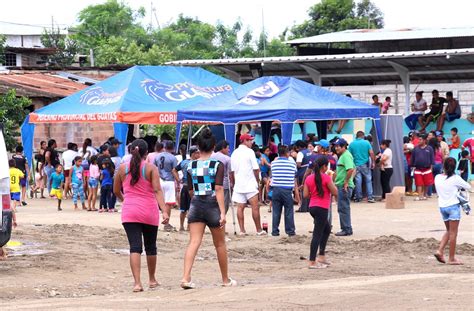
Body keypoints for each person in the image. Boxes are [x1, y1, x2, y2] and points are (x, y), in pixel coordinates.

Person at [181, 129, 236, 289]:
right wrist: (222, 212)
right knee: (219, 244)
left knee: (193, 242)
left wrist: (197, 201)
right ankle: (225, 279)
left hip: (196, 204)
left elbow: (190, 190)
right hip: (212, 204)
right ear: (213, 147)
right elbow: (219, 188)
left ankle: (185, 278)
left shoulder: (191, 165)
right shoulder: (217, 164)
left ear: (198, 147)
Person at [113, 139, 169, 292]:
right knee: (151, 247)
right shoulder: (151, 168)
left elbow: (116, 190)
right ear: (146, 152)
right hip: (149, 211)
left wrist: (126, 200)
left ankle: (137, 283)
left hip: (129, 212)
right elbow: (157, 191)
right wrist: (164, 210)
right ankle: (152, 279)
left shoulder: (123, 168)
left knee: (135, 247)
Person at [433, 157, 471, 265]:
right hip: (453, 207)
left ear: (443, 166)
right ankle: (451, 258)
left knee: (449, 231)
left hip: (442, 207)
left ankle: (440, 251)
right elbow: (468, 186)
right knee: (454, 233)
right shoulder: (456, 178)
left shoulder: (437, 177)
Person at [303, 156, 338, 269]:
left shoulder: (309, 178)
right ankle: (312, 261)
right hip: (322, 208)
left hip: (312, 207)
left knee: (326, 229)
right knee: (317, 234)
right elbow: (335, 192)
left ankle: (321, 256)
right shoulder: (326, 178)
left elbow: (305, 195)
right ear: (324, 167)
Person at [230, 133, 264, 236]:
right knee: (255, 207)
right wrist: (258, 181)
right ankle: (258, 230)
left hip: (239, 183)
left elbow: (232, 171)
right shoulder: (250, 152)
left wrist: (234, 183)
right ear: (245, 141)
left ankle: (242, 230)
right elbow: (256, 169)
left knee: (240, 207)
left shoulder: (234, 153)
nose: (251, 142)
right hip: (249, 183)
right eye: (250, 140)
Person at [270, 145, 297, 237]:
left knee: (276, 211)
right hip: (287, 190)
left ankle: (275, 231)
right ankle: (290, 231)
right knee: (289, 211)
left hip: (276, 189)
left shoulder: (273, 163)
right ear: (287, 153)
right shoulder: (292, 164)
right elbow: (294, 174)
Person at [173, 146, 200, 232]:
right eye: (197, 153)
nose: (199, 154)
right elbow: (174, 170)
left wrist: (178, 180)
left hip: (185, 186)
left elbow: (174, 170)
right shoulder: (197, 163)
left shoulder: (184, 162)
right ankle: (187, 226)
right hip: (192, 187)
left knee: (184, 209)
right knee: (190, 208)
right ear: (193, 153)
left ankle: (182, 226)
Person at [154, 141, 178, 232]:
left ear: (164, 147)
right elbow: (174, 170)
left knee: (160, 201)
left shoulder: (157, 156)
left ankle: (157, 221)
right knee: (168, 202)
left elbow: (154, 168)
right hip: (169, 181)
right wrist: (178, 181)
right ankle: (167, 223)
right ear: (172, 148)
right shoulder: (173, 158)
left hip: (159, 180)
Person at [334, 138, 355, 236]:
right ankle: (346, 228)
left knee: (343, 208)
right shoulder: (344, 155)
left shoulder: (346, 155)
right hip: (342, 184)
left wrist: (346, 182)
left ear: (343, 146)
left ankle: (346, 229)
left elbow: (350, 169)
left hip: (343, 186)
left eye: (338, 146)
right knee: (343, 207)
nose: (336, 148)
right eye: (336, 146)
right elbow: (354, 169)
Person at [348, 131, 375, 203]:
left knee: (358, 181)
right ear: (363, 136)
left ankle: (358, 197)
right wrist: (373, 162)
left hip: (355, 165)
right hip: (365, 164)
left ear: (356, 136)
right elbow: (371, 153)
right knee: (368, 180)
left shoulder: (352, 144)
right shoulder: (366, 142)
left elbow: (349, 155)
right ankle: (370, 197)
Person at [212, 140, 233, 215]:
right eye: (227, 148)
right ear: (222, 148)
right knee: (224, 205)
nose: (229, 150)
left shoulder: (211, 156)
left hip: (211, 184)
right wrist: (232, 183)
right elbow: (231, 173)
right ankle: (220, 219)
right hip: (224, 185)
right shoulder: (227, 159)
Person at [411, 134, 434, 201]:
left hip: (427, 169)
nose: (419, 141)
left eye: (420, 140)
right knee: (418, 183)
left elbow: (432, 159)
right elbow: (412, 158)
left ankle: (424, 195)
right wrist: (412, 167)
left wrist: (431, 169)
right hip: (417, 169)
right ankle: (419, 196)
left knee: (427, 183)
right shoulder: (415, 148)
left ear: (424, 140)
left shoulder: (430, 148)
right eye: (419, 139)